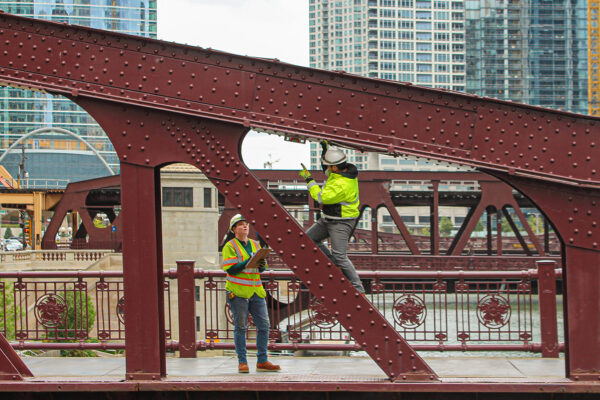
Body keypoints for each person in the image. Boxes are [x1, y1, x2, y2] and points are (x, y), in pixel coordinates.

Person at [299, 141, 366, 294]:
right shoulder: (341, 172)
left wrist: (309, 180)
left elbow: (320, 197)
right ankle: (332, 264)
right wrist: (325, 150)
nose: (327, 170)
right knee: (309, 239)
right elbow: (327, 170)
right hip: (329, 218)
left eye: (329, 166)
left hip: (342, 222)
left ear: (335, 167)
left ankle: (358, 288)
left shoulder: (342, 184)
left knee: (340, 256)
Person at [221, 214, 281, 373]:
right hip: (238, 292)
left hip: (256, 290)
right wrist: (248, 262)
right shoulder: (230, 246)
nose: (245, 227)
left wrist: (260, 262)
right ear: (234, 229)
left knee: (264, 325)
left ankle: (262, 360)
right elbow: (230, 268)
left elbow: (262, 268)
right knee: (240, 327)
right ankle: (242, 362)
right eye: (240, 225)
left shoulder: (255, 244)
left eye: (246, 224)